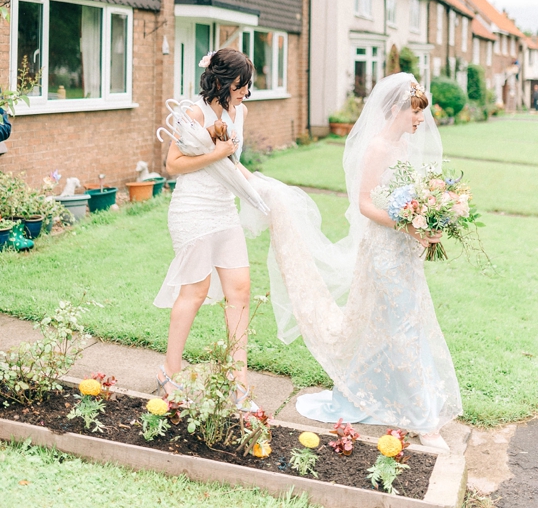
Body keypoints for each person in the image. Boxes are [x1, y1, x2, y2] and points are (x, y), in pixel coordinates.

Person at [251, 73, 461, 451]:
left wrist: (428, 219)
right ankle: (424, 421)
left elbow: (409, 197)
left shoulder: (403, 149)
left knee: (402, 325)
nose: (419, 121)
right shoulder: (378, 147)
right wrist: (410, 224)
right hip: (382, 252)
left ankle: (393, 399)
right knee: (403, 330)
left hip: (402, 252)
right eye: (415, 113)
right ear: (397, 109)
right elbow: (366, 204)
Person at [155, 48, 258, 409]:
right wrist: (220, 151)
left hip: (223, 209)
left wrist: (260, 189)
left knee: (241, 291)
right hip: (193, 210)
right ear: (223, 81)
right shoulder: (193, 111)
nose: (245, 91)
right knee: (195, 293)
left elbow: (231, 165)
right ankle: (169, 371)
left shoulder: (239, 111)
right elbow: (173, 164)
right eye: (241, 84)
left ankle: (238, 378)